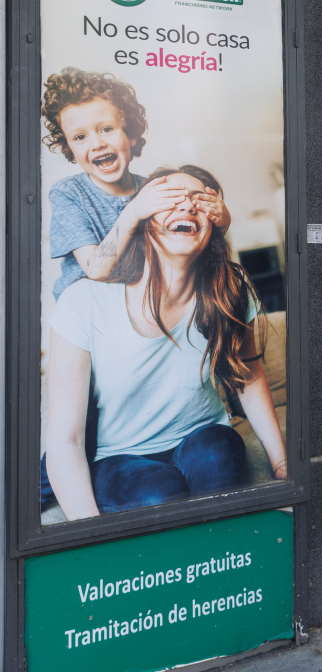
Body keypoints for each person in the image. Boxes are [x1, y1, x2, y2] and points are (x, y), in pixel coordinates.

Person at [43, 165, 286, 520]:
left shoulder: (230, 290)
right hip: (120, 456)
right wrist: (88, 536)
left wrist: (281, 464)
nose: (186, 207)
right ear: (142, 219)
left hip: (202, 435)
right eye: (170, 199)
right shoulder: (83, 301)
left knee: (218, 457)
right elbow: (65, 439)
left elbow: (249, 377)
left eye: (199, 200)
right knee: (158, 494)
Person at [41, 67, 229, 299]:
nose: (97, 144)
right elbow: (95, 269)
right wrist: (135, 212)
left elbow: (185, 247)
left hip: (140, 310)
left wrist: (221, 221)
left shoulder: (152, 188)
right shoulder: (68, 193)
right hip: (87, 310)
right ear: (69, 148)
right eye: (80, 137)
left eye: (106, 129)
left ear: (131, 133)